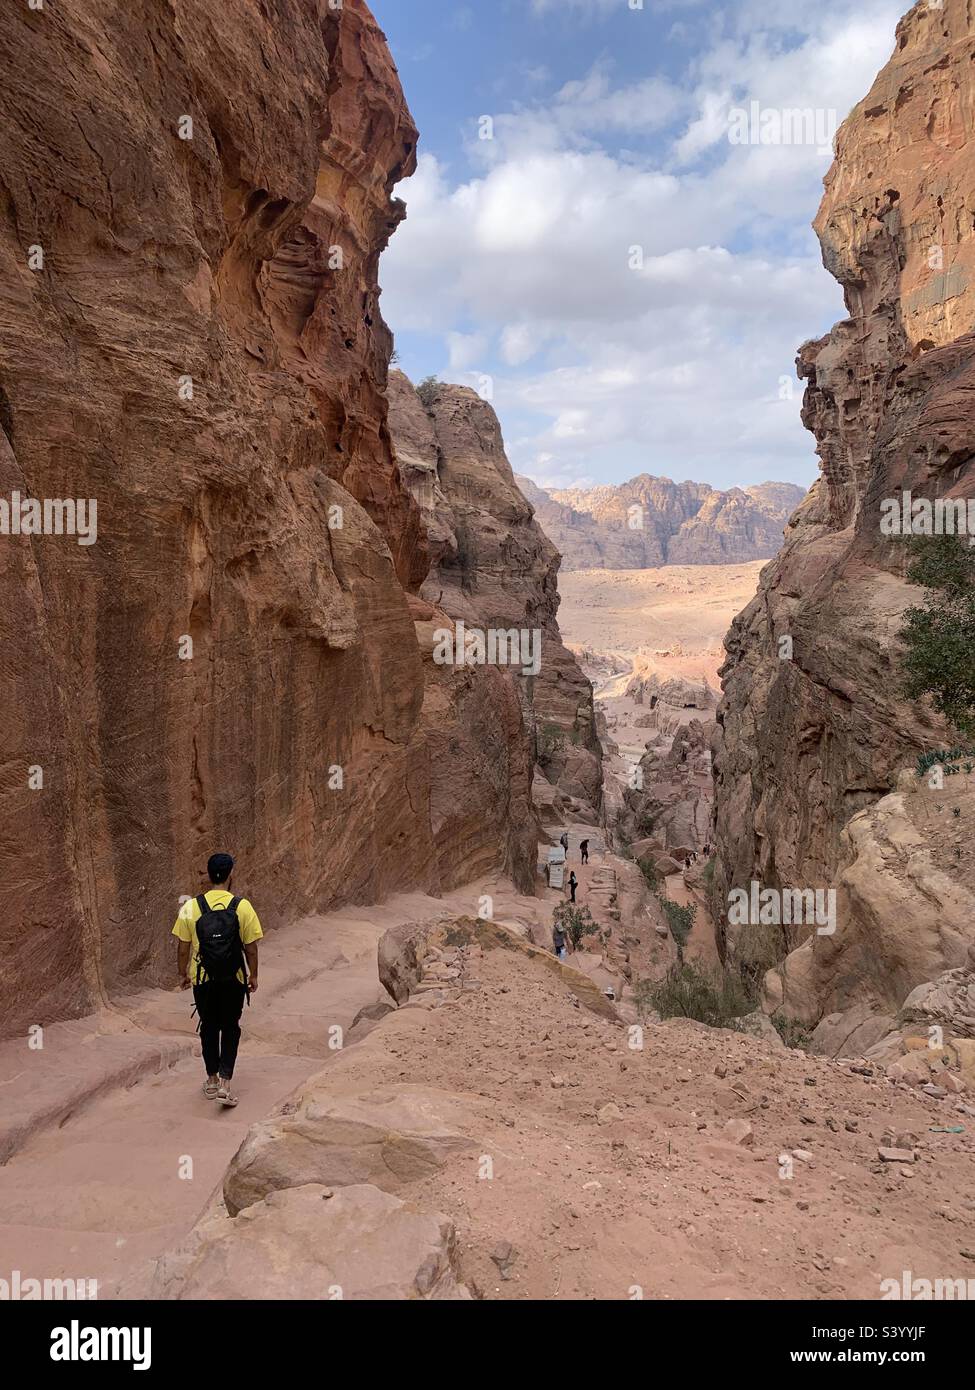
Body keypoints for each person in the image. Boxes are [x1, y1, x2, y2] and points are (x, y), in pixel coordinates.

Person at [172, 853, 263, 1107]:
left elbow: (182, 947)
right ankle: (225, 1083)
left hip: (203, 979)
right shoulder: (242, 906)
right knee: (231, 1026)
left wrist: (183, 974)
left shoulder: (191, 907)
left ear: (208, 876)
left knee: (209, 1026)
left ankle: (211, 1080)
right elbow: (251, 948)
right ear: (230, 875)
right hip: (233, 978)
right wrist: (253, 975)